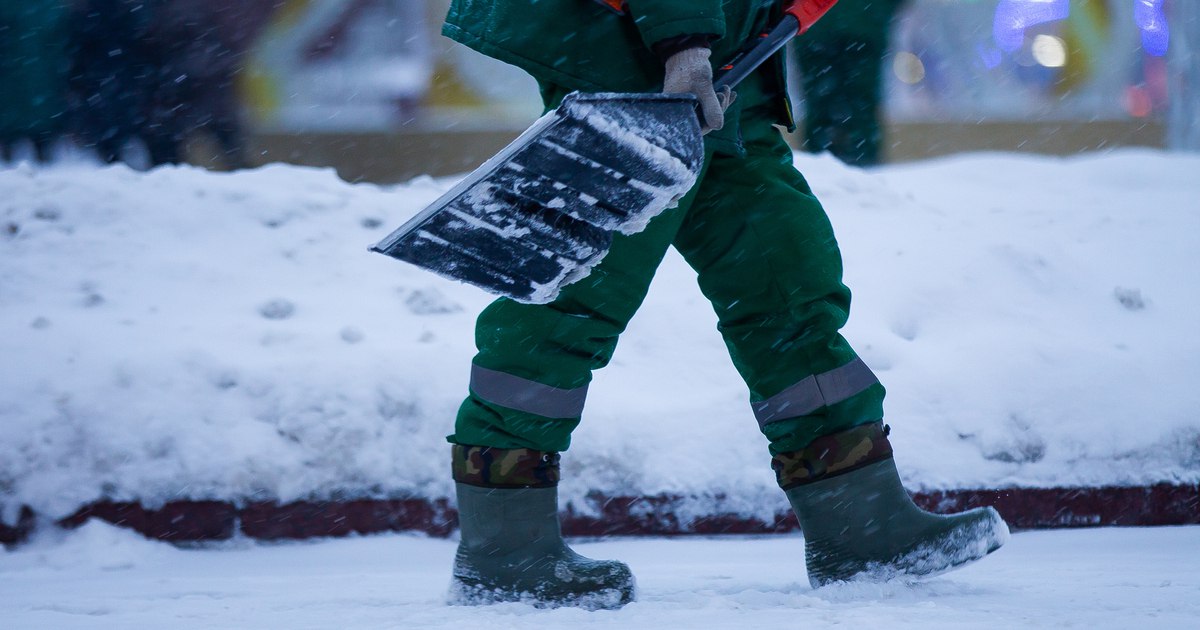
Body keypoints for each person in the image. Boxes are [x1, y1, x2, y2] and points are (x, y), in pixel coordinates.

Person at [440, 0, 1008, 608]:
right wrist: (682, 42)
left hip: (732, 50)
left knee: (785, 273)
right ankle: (504, 543)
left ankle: (860, 519)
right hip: (637, 46)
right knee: (578, 289)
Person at [793, 0, 906, 167]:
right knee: (860, 102)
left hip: (813, 24)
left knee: (820, 101)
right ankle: (862, 166)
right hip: (862, 23)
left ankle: (820, 167)